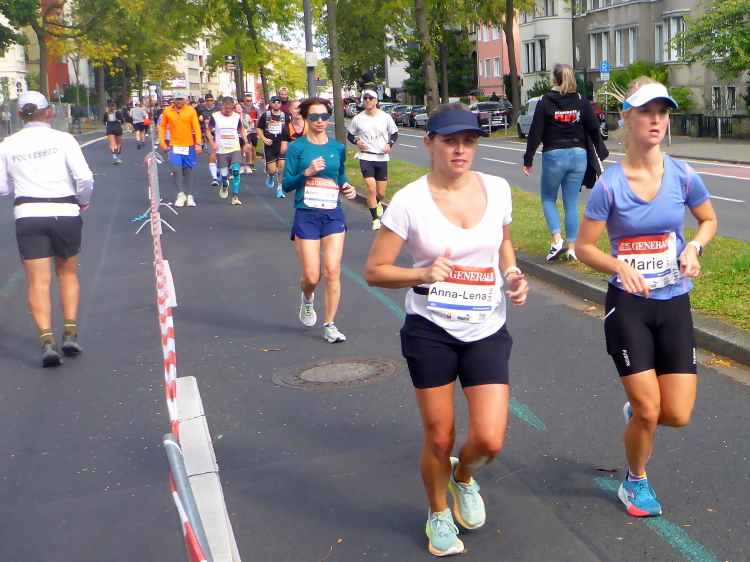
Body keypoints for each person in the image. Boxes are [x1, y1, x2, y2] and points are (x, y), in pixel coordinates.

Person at [364, 103, 528, 557]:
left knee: (490, 439)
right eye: (450, 141)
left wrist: (512, 274)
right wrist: (422, 273)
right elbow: (375, 271)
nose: (460, 150)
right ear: (429, 144)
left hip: (486, 327)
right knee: (439, 436)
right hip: (430, 329)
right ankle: (438, 512)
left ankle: (464, 476)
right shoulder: (409, 201)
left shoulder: (497, 189)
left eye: (468, 141)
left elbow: (504, 244)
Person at [576, 77, 717, 519]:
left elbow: (708, 220)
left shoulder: (683, 174)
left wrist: (694, 248)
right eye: (646, 112)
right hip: (629, 306)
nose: (656, 120)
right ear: (628, 118)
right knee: (651, 410)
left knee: (677, 414)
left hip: (674, 301)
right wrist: (620, 266)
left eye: (662, 112)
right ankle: (635, 481)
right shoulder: (610, 185)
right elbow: (584, 247)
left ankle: (639, 414)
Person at [0, 91, 94, 367]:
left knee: (38, 282)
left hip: (28, 213)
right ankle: (70, 334)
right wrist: (82, 200)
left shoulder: (7, 144)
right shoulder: (64, 139)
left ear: (20, 115)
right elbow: (85, 177)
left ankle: (46, 341)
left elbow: (2, 187)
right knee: (67, 274)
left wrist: (19, 183)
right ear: (49, 112)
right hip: (64, 211)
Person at [281, 97, 357, 343]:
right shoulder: (297, 148)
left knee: (332, 271)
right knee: (312, 277)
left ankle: (330, 324)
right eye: (314, 117)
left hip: (333, 213)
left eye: (324, 116)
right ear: (305, 118)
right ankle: (307, 298)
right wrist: (307, 172)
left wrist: (347, 187)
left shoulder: (337, 147)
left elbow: (340, 174)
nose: (320, 121)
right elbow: (286, 184)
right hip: (306, 214)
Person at [523, 63, 600, 262]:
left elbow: (535, 132)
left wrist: (528, 159)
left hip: (554, 155)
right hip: (578, 155)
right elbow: (594, 127)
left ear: (555, 79)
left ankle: (557, 240)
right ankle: (572, 249)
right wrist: (599, 152)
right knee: (571, 203)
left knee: (548, 198)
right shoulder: (581, 101)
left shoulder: (544, 101)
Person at [347, 88, 398, 230]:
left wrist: (389, 144)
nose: (367, 101)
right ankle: (375, 219)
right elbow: (350, 135)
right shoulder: (358, 119)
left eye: (370, 98)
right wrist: (357, 142)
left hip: (381, 158)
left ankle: (377, 202)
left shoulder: (385, 117)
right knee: (371, 188)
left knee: (381, 193)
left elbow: (394, 133)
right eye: (365, 98)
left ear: (376, 100)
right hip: (366, 157)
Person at [158, 92, 203, 207]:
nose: (179, 101)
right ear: (173, 100)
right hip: (175, 144)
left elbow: (196, 127)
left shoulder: (190, 111)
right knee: (176, 168)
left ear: (184, 100)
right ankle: (180, 193)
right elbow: (162, 127)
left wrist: (198, 143)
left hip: (189, 144)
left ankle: (190, 195)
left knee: (188, 170)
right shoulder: (167, 111)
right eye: (177, 99)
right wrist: (162, 143)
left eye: (181, 99)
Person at [205, 97, 250, 206]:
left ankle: (235, 196)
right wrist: (212, 143)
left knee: (236, 172)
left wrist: (246, 142)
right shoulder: (216, 116)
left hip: (235, 148)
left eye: (230, 108)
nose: (228, 110)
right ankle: (225, 183)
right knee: (224, 175)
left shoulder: (236, 117)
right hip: (221, 149)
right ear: (222, 106)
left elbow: (241, 130)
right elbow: (208, 131)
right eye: (226, 108)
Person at [257, 95, 289, 197]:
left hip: (281, 144)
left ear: (281, 104)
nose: (276, 104)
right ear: (271, 103)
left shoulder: (285, 116)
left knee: (282, 167)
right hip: (270, 145)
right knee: (272, 170)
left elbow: (289, 129)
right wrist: (264, 139)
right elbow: (258, 128)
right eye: (274, 102)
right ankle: (270, 176)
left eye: (278, 102)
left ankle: (279, 188)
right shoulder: (265, 115)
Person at [197, 93, 222, 186]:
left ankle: (218, 170)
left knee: (220, 157)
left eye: (211, 100)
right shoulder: (200, 110)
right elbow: (196, 122)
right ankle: (215, 178)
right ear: (205, 101)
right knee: (212, 156)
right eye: (207, 101)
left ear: (213, 100)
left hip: (220, 135)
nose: (209, 102)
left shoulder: (219, 109)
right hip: (209, 135)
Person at [241, 94, 258, 173]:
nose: (249, 102)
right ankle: (246, 164)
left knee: (253, 148)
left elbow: (260, 117)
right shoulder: (242, 109)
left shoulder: (255, 109)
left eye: (250, 100)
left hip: (253, 130)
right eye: (247, 100)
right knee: (246, 148)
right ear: (244, 101)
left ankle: (252, 163)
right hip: (244, 131)